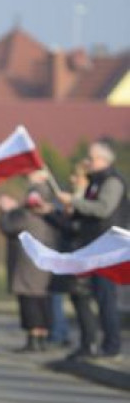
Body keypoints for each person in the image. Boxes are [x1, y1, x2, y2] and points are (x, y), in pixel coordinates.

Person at [58, 142, 127, 361]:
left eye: (91, 158)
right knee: (84, 295)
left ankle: (112, 346)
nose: (87, 162)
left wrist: (76, 202)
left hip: (106, 248)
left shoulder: (112, 181)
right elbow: (84, 212)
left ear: (103, 160)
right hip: (90, 246)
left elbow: (103, 209)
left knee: (105, 297)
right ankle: (89, 344)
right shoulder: (93, 183)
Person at [0, 189, 57, 352]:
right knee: (43, 301)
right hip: (45, 263)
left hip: (27, 265)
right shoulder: (50, 216)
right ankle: (42, 338)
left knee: (29, 301)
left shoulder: (24, 216)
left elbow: (8, 227)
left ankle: (33, 338)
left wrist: (6, 211)